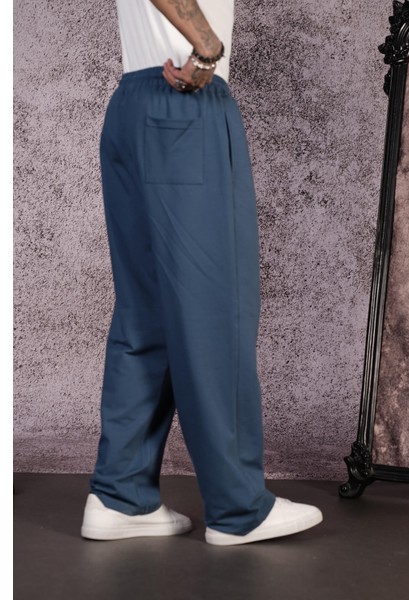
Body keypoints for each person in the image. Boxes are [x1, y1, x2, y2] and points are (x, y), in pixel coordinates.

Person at [80, 0, 323, 546]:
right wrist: (207, 46)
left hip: (133, 105)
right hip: (186, 101)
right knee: (215, 311)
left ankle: (121, 495)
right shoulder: (197, 66)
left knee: (146, 316)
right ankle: (239, 508)